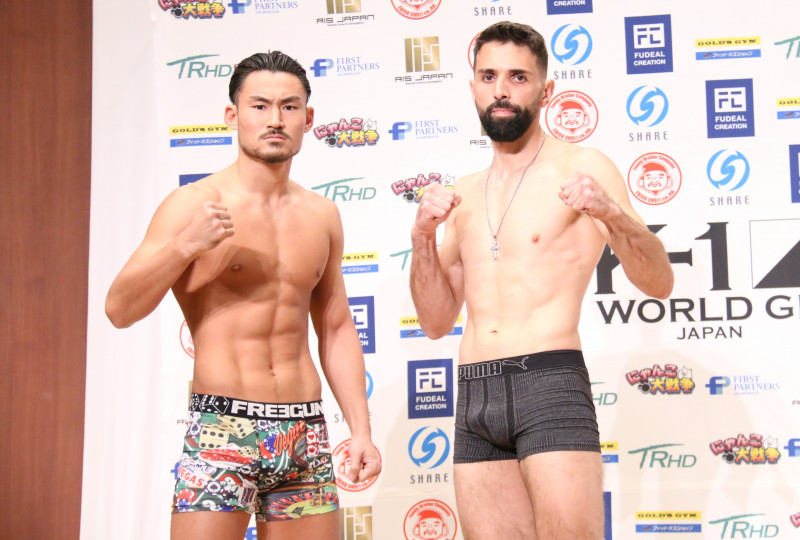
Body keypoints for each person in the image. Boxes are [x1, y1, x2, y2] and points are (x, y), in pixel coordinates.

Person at [410, 22, 673, 540]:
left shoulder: (581, 166)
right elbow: (435, 321)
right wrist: (421, 237)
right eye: (489, 76)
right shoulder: (465, 194)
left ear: (545, 90)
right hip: (475, 393)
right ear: (473, 87)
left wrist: (610, 212)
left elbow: (658, 282)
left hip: (548, 382)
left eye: (518, 77)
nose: (501, 90)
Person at [105, 51, 381, 540]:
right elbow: (119, 309)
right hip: (223, 427)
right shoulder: (194, 204)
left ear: (307, 119)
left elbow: (336, 327)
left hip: (303, 431)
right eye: (259, 106)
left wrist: (361, 430)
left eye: (289, 106)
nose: (275, 119)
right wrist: (184, 246)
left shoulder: (322, 215)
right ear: (233, 115)